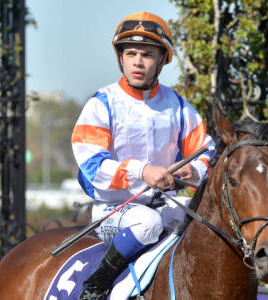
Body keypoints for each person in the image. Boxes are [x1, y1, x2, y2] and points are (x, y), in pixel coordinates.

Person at [71, 12, 215, 299]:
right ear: (121, 58)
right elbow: (91, 165)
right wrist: (142, 171)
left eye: (147, 54)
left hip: (164, 204)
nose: (138, 61)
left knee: (205, 220)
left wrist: (194, 170)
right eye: (131, 53)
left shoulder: (177, 105)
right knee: (146, 224)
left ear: (161, 61)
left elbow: (207, 150)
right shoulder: (102, 103)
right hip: (113, 210)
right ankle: (95, 286)